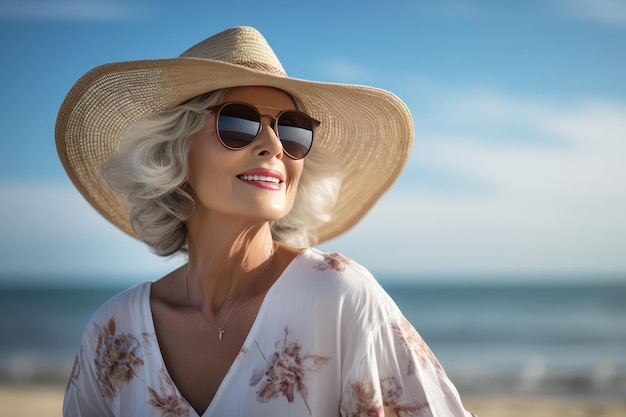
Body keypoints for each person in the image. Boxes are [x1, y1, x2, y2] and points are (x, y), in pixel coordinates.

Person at [56, 26, 475, 417]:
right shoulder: (113, 331)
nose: (274, 145)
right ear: (174, 153)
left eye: (292, 131)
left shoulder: (341, 297)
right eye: (239, 123)